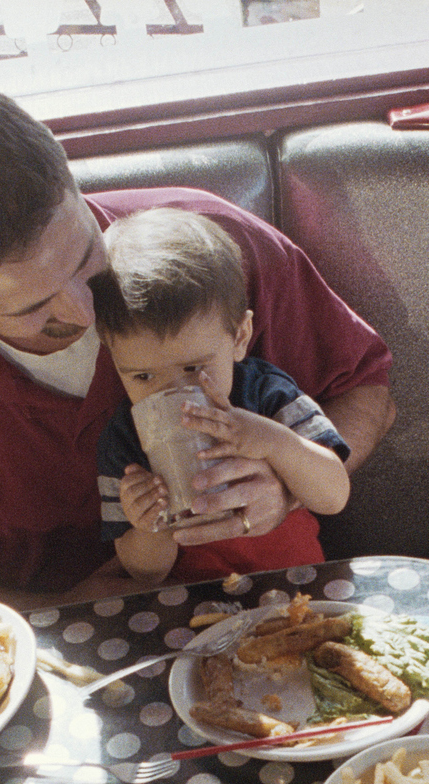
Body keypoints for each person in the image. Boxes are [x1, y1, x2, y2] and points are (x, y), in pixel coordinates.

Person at [0, 83, 394, 611]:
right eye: (31, 308)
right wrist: (49, 616)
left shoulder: (213, 249)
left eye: (85, 258)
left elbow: (364, 389)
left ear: (71, 177)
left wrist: (288, 489)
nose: (85, 311)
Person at [92, 206, 351, 585]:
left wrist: (277, 443)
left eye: (194, 368)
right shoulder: (124, 438)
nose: (174, 393)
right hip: (192, 608)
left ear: (240, 337)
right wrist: (147, 523)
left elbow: (333, 495)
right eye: (143, 375)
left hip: (295, 584)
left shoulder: (266, 393)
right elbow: (145, 573)